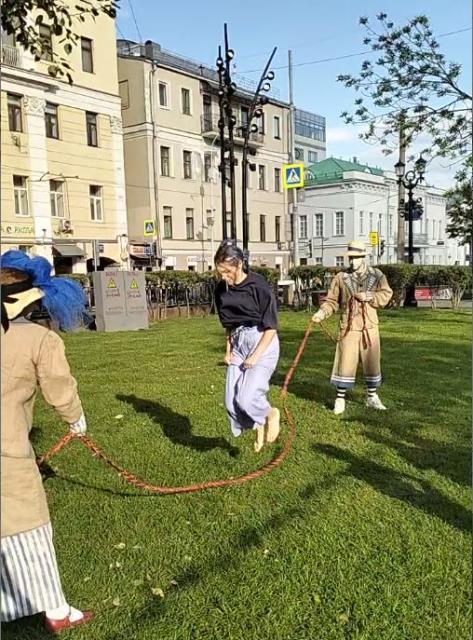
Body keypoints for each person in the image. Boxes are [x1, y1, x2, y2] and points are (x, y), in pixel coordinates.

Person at [0, 250, 93, 633]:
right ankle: (55, 609)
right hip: (9, 453)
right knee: (29, 525)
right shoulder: (40, 339)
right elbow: (59, 387)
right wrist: (76, 419)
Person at [312, 240, 393, 415]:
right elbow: (331, 300)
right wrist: (322, 312)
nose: (352, 261)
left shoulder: (377, 275)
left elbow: (386, 294)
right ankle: (340, 398)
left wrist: (370, 296)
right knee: (345, 360)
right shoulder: (341, 277)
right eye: (350, 258)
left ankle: (372, 396)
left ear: (363, 257)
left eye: (356, 258)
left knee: (372, 361)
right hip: (348, 326)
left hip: (369, 326)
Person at [214, 241, 280, 452]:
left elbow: (271, 327)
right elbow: (229, 325)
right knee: (231, 403)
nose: (224, 277)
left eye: (228, 271)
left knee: (246, 398)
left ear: (240, 264)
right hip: (238, 343)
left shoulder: (258, 285)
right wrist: (228, 351)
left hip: (262, 340)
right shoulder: (221, 290)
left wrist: (255, 356)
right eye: (220, 272)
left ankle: (270, 414)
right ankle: (258, 423)